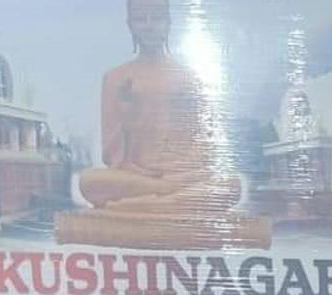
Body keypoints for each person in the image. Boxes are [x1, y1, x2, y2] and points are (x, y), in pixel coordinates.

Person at [78, 0, 240, 214]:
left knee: (231, 185)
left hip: (181, 173)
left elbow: (204, 143)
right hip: (136, 176)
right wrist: (134, 168)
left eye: (156, 18)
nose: (149, 26)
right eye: (141, 19)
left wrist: (180, 169)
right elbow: (111, 152)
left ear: (168, 23)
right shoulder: (116, 78)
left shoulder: (190, 79)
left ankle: (140, 204)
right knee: (88, 181)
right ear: (130, 25)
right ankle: (170, 199)